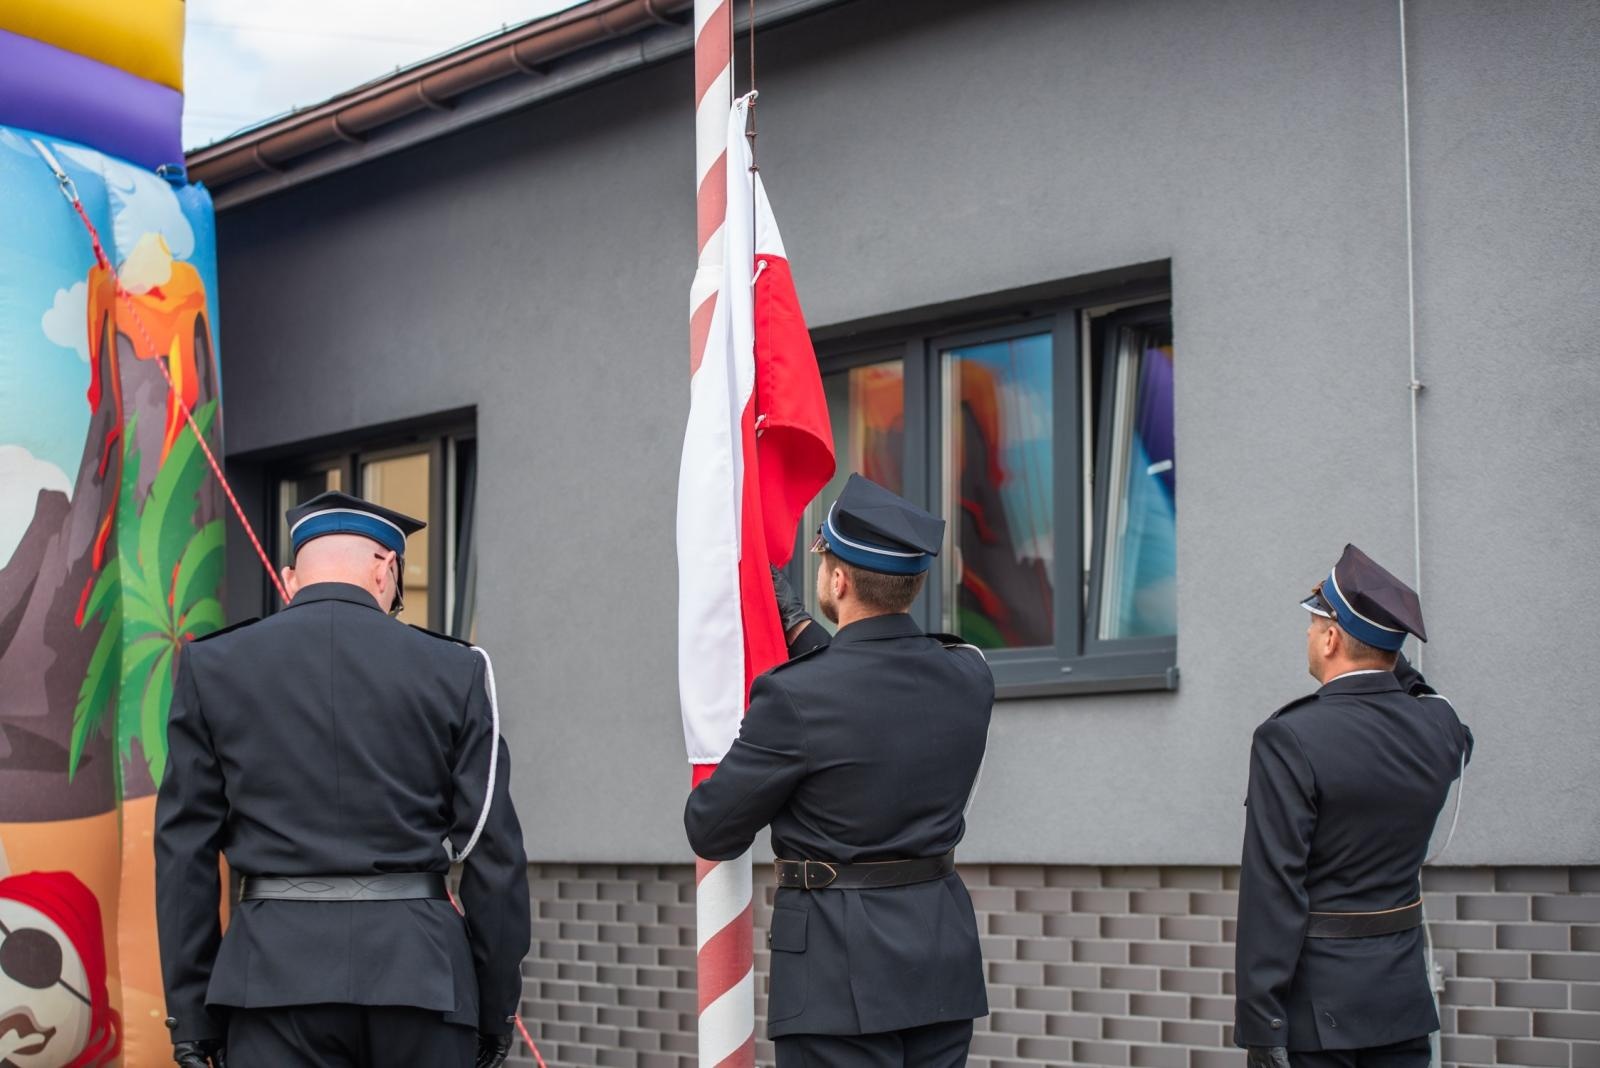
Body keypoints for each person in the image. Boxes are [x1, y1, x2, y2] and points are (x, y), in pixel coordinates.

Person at [154, 491, 530, 1068]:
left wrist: (191, 1018)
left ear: (289, 579)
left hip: (270, 980)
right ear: (386, 568)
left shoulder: (214, 666)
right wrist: (495, 1009)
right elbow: (494, 853)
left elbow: (185, 852)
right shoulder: (456, 668)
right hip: (421, 980)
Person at [684, 474, 994, 1068]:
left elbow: (711, 827)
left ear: (838, 580)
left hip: (836, 978)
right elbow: (873, 687)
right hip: (941, 967)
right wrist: (800, 628)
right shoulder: (970, 675)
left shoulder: (792, 700)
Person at [1235, 544, 1473, 1068]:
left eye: (1314, 623)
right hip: (1402, 1005)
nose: (1308, 635)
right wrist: (1386, 651)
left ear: (1331, 638)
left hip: (1318, 1017)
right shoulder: (1440, 729)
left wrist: (1261, 1022)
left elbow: (1272, 888)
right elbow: (1429, 698)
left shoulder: (1288, 738)